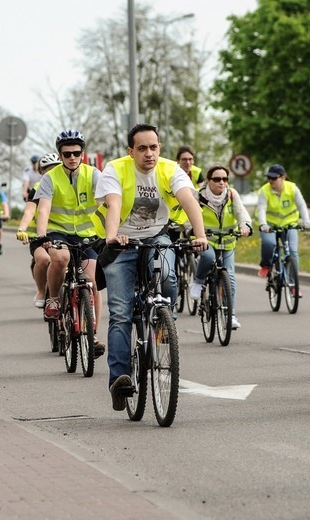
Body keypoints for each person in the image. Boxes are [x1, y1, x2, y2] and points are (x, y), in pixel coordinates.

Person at [93, 123, 208, 411]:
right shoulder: (115, 170)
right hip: (120, 238)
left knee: (168, 279)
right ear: (130, 151)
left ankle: (163, 321)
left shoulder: (170, 170)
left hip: (156, 234)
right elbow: (115, 204)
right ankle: (120, 378)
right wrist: (112, 236)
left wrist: (200, 234)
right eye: (142, 148)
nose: (149, 153)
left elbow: (188, 201)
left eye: (154, 147)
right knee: (121, 311)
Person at [34, 130, 105, 355]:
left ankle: (92, 335)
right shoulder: (49, 178)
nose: (72, 157)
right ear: (60, 155)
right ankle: (54, 299)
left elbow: (109, 202)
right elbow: (43, 208)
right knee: (61, 257)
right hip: (59, 232)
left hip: (88, 234)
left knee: (92, 281)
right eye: (67, 154)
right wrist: (43, 235)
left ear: (82, 154)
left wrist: (114, 230)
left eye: (76, 153)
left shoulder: (93, 174)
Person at [189, 165, 252, 329]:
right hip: (206, 240)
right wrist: (191, 230)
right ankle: (198, 281)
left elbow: (241, 212)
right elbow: (189, 215)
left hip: (227, 241)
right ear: (209, 180)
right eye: (217, 179)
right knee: (208, 257)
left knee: (229, 277)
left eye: (225, 179)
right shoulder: (198, 196)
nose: (221, 182)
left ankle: (230, 315)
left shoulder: (231, 194)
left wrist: (245, 225)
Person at [16, 153, 61, 308]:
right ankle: (41, 290)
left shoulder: (67, 185)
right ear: (41, 173)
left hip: (64, 236)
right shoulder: (37, 189)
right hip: (40, 237)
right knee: (43, 259)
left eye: (56, 168)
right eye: (48, 170)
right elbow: (29, 211)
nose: (52, 172)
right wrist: (22, 228)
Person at [256, 164, 310, 279]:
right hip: (269, 225)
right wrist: (263, 224)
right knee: (269, 243)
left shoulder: (292, 188)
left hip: (289, 224)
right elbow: (261, 209)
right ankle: (266, 265)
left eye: (274, 178)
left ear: (283, 177)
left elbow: (301, 205)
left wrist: (307, 222)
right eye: (269, 178)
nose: (271, 181)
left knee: (293, 252)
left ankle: (293, 285)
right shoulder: (264, 191)